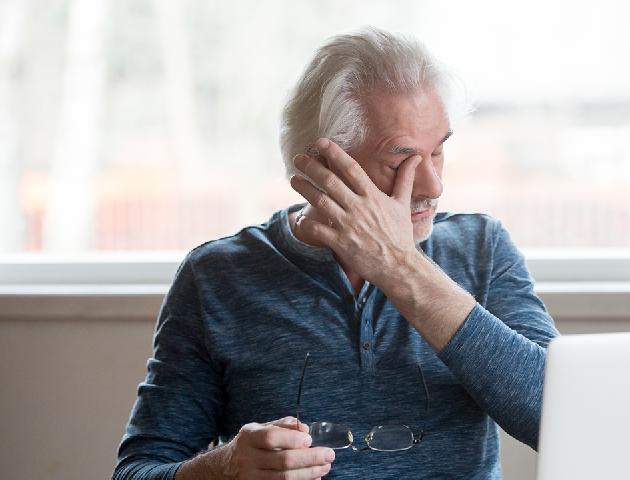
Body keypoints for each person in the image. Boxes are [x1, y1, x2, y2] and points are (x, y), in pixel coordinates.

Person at [113, 27, 558, 480]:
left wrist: (400, 267)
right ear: (325, 167)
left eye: (438, 153)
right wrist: (222, 468)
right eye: (399, 162)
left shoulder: (482, 249)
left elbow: (559, 418)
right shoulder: (217, 277)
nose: (432, 186)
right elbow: (136, 471)